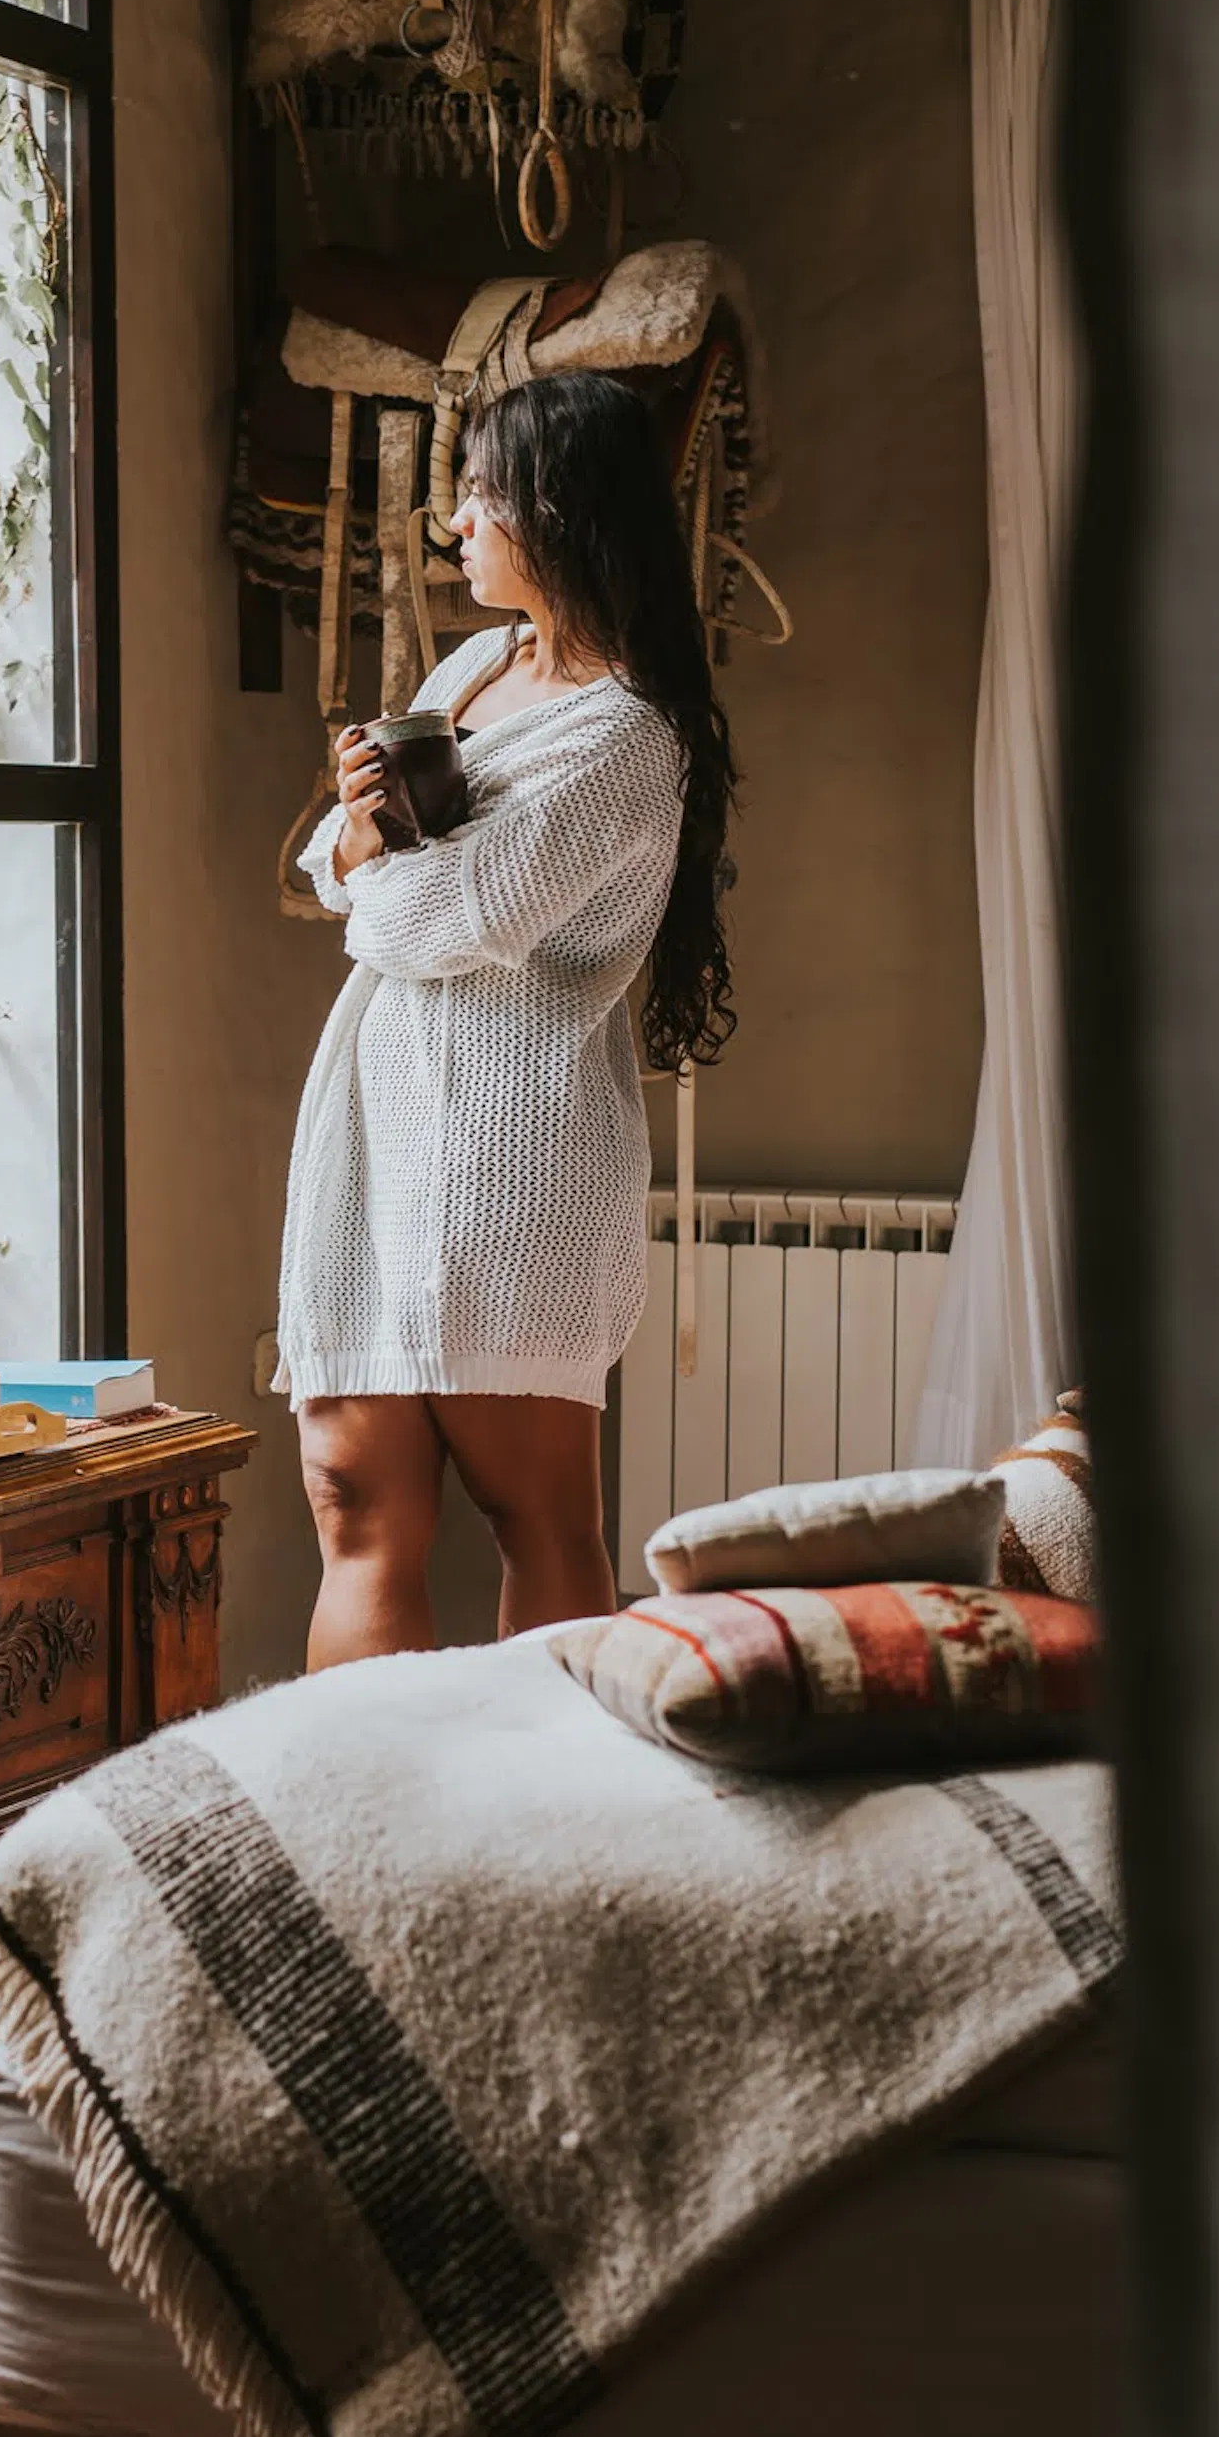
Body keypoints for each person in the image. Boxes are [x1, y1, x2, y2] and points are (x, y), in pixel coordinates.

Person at [276, 368, 738, 1666]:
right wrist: (361, 835)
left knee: (537, 1518)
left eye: (479, 496)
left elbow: (448, 919)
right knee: (353, 1501)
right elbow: (334, 862)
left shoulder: (632, 734)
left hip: (515, 1158)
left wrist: (373, 870)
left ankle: (545, 1819)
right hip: (379, 1137)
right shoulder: (478, 666)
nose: (456, 526)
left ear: (556, 507)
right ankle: (359, 1832)